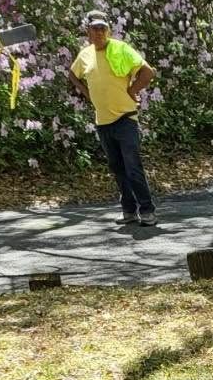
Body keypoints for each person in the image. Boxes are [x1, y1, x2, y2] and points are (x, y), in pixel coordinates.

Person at [68, 13, 158, 226]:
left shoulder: (120, 48)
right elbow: (72, 75)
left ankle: (147, 210)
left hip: (125, 118)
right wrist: (87, 94)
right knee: (118, 169)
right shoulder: (85, 55)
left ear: (108, 30)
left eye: (103, 28)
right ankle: (129, 211)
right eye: (95, 28)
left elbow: (148, 72)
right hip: (103, 122)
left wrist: (132, 90)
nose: (99, 32)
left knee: (133, 167)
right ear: (88, 32)